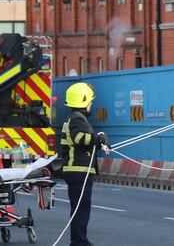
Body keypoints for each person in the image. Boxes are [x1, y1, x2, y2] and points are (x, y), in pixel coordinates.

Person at [60, 82, 108, 246]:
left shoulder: (76, 118)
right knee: (81, 208)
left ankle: (80, 240)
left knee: (80, 208)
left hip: (77, 171)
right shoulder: (77, 119)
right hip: (78, 171)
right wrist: (97, 139)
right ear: (83, 100)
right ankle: (79, 242)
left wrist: (100, 143)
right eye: (90, 101)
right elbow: (79, 138)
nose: (91, 104)